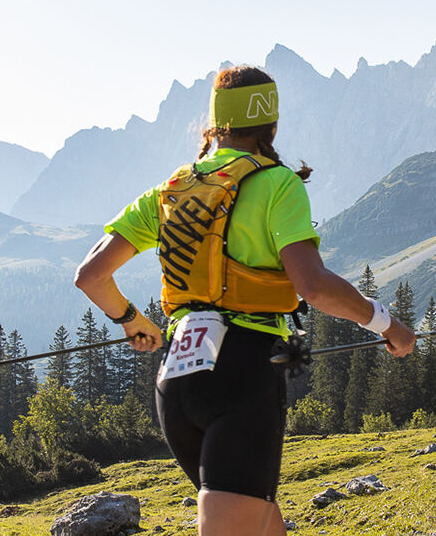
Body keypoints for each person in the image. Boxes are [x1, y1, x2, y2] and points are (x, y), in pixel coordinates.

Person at [74, 65, 417, 535]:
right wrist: (385, 323)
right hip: (243, 372)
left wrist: (131, 319)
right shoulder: (278, 184)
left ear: (213, 126)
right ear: (272, 125)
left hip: (175, 382)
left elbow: (91, 276)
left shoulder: (167, 193)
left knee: (258, 520)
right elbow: (312, 286)